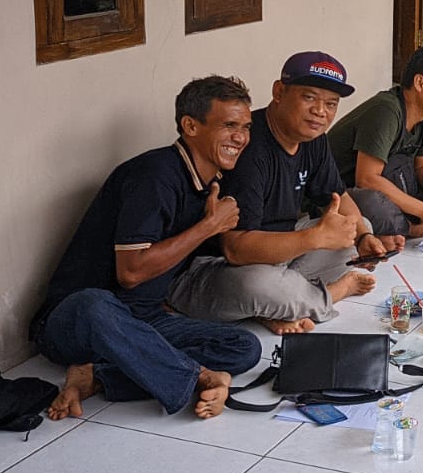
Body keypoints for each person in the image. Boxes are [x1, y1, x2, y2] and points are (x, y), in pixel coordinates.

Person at [31, 76, 264, 421]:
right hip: (77, 322)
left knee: (244, 347)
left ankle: (97, 377)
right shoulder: (154, 177)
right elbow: (132, 272)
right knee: (94, 302)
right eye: (229, 125)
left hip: (144, 319)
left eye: (245, 126)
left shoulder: (210, 182)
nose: (240, 137)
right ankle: (195, 376)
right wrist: (209, 226)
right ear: (190, 126)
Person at [169, 52, 391, 333]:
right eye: (309, 97)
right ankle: (330, 294)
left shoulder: (314, 139)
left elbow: (338, 197)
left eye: (331, 104)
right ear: (279, 92)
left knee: (355, 228)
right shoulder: (250, 146)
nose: (320, 111)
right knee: (259, 284)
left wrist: (364, 236)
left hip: (282, 253)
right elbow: (235, 249)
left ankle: (275, 305)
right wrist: (315, 237)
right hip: (220, 268)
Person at [328, 44, 423, 242]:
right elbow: (367, 179)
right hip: (350, 194)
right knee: (373, 203)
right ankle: (413, 229)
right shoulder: (386, 110)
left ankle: (404, 224)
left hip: (397, 189)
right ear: (420, 83)